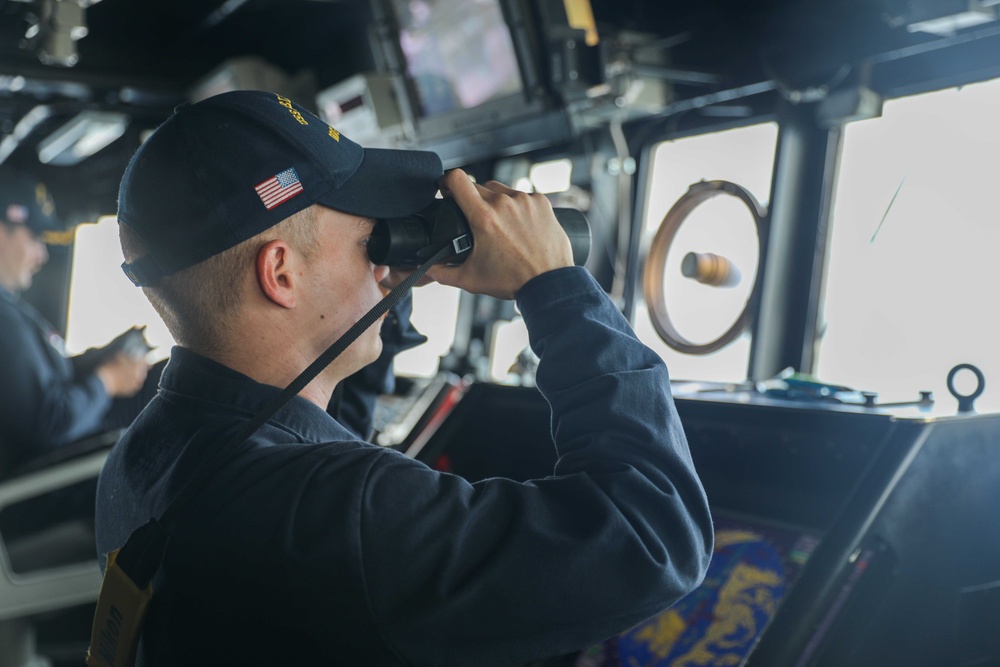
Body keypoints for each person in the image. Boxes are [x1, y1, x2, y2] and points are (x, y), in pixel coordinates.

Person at [95, 90, 713, 665]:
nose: (386, 265)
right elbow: (651, 535)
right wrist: (554, 288)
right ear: (279, 273)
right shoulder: (341, 511)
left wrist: (394, 287)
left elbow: (320, 450)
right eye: (371, 236)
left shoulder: (146, 455)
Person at [0, 171, 153, 477]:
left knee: (166, 376)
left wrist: (101, 358)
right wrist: (108, 379)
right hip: (41, 484)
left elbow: (41, 387)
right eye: (34, 239)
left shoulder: (11, 309)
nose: (41, 255)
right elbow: (49, 424)